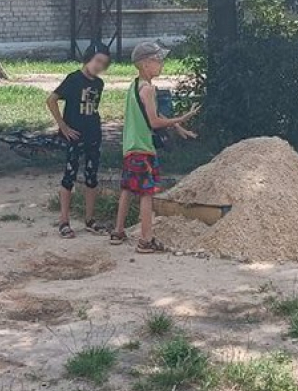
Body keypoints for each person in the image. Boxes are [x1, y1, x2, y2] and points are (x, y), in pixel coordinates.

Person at [110, 41, 199, 253]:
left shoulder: (135, 85)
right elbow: (154, 122)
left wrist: (179, 128)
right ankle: (145, 240)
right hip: (143, 148)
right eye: (158, 61)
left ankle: (118, 232)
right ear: (145, 64)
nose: (161, 65)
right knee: (147, 194)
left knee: (127, 188)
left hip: (130, 146)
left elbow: (154, 115)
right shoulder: (148, 89)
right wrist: (183, 117)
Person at [46, 42, 111, 239]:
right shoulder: (73, 79)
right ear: (88, 58)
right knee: (70, 175)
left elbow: (93, 108)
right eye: (97, 61)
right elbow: (51, 99)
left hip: (93, 134)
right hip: (75, 135)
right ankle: (64, 221)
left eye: (104, 64)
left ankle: (89, 219)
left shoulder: (99, 84)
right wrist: (63, 126)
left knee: (92, 177)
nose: (99, 66)